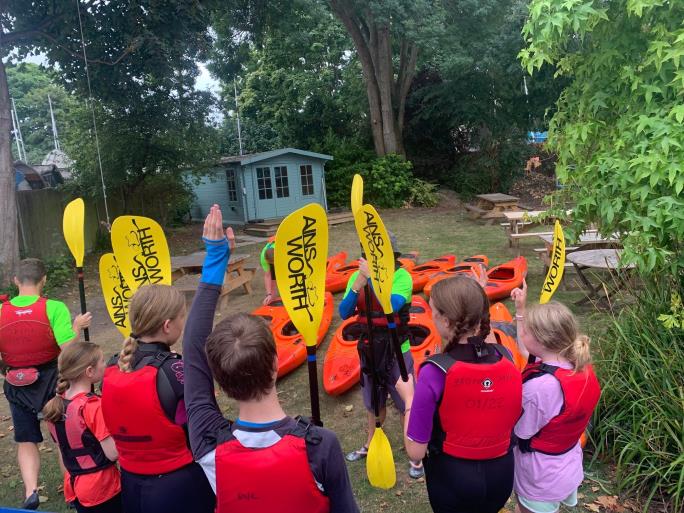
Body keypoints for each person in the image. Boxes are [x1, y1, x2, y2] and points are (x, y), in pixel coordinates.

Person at [183, 204, 359, 513]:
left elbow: (192, 347)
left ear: (221, 386)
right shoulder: (320, 446)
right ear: (276, 363)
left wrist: (214, 260)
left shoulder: (208, 443)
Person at [397, 276, 523, 513]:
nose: (431, 316)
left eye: (432, 311)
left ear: (445, 320)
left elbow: (416, 452)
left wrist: (409, 399)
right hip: (502, 476)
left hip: (452, 481)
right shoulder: (505, 356)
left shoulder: (435, 372)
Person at [101, 284, 215, 513]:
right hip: (180, 487)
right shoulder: (175, 371)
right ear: (167, 325)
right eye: (182, 317)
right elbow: (203, 428)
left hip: (132, 485)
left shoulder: (112, 368)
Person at [0, 258, 91, 509]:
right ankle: (71, 485)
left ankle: (31, 491)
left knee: (26, 439)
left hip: (15, 383)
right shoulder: (54, 307)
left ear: (16, 280)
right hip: (50, 380)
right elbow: (67, 349)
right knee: (60, 435)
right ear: (44, 280)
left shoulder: (0, 311)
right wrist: (76, 327)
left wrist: (7, 369)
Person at [510, 280, 601, 513]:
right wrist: (521, 311)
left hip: (540, 476)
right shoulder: (577, 365)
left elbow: (521, 430)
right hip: (566, 464)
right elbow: (526, 351)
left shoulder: (540, 388)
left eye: (526, 330)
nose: (522, 333)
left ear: (541, 341)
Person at [338, 234, 424, 478]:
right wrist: (357, 285)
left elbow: (392, 305)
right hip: (370, 349)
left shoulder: (402, 277)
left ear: (392, 257)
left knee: (405, 404)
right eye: (368, 255)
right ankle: (369, 444)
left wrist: (372, 279)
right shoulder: (358, 278)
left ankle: (415, 456)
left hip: (398, 349)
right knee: (372, 404)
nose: (371, 260)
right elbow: (344, 312)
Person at [43, 342, 121, 513]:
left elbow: (63, 449)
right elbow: (113, 453)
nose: (105, 364)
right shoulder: (93, 406)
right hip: (101, 487)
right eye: (101, 361)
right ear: (89, 371)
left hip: (74, 485)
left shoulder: (55, 406)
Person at [260, 236, 277, 305]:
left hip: (281, 254)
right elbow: (267, 276)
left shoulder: (282, 250)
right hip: (272, 258)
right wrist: (269, 294)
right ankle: (271, 298)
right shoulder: (263, 259)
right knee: (273, 279)